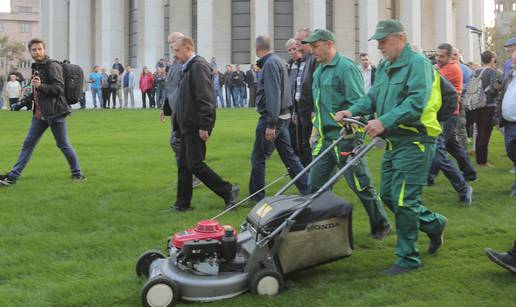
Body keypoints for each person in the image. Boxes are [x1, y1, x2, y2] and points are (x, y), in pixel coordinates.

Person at [336, 20, 447, 275]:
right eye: (378, 41)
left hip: (416, 140)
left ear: (401, 38)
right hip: (394, 141)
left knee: (404, 200)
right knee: (387, 195)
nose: (380, 46)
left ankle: (408, 259)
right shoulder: (386, 65)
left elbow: (416, 102)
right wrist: (352, 110)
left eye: (384, 41)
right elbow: (373, 95)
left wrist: (383, 121)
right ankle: (433, 224)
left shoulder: (418, 64)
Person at [302, 29, 391, 239]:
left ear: (329, 44)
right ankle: (317, 229)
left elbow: (359, 103)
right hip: (325, 140)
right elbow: (318, 106)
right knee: (315, 186)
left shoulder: (346, 68)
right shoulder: (318, 71)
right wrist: (315, 131)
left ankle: (381, 224)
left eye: (315, 46)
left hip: (346, 139)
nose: (312, 50)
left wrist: (352, 130)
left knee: (360, 184)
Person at [0, 38, 85, 186]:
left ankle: (78, 174)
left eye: (39, 49)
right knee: (28, 144)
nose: (37, 52)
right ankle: (12, 177)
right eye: (34, 49)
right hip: (40, 115)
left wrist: (40, 86)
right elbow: (36, 92)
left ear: (44, 50)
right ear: (30, 52)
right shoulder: (36, 67)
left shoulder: (52, 66)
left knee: (63, 144)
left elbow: (59, 89)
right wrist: (21, 103)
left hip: (55, 113)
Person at [171, 36, 239, 211]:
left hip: (195, 125)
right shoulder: (187, 68)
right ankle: (182, 204)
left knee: (195, 164)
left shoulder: (198, 66)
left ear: (188, 48)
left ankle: (228, 190)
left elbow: (206, 99)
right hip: (186, 125)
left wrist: (205, 126)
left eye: (177, 50)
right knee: (184, 166)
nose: (175, 54)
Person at [249, 35, 309, 201]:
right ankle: (308, 188)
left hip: (273, 117)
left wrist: (271, 124)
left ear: (257, 49)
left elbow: (273, 94)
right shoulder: (279, 61)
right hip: (283, 115)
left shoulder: (269, 64)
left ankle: (256, 196)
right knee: (289, 156)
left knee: (258, 157)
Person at [427, 43, 475, 203]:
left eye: (442, 56)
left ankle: (459, 186)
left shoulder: (451, 69)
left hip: (447, 115)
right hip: (447, 113)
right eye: (437, 55)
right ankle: (470, 173)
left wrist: (433, 68)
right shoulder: (444, 67)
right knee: (451, 146)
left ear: (450, 57)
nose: (438, 58)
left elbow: (431, 79)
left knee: (438, 150)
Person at [160, 32, 203, 192]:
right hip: (175, 108)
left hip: (183, 110)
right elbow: (170, 86)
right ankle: (189, 175)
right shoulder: (175, 61)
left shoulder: (188, 63)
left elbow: (183, 87)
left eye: (174, 42)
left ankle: (193, 174)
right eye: (169, 43)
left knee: (178, 143)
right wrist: (165, 108)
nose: (171, 46)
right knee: (178, 143)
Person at [469, 50, 502, 167]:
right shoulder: (492, 72)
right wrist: (499, 87)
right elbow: (493, 89)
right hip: (488, 105)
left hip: (476, 104)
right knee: (485, 133)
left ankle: (479, 160)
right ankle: (483, 162)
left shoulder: (475, 71)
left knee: (479, 132)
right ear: (492, 59)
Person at [292, 28, 318, 167]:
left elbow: (315, 86)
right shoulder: (301, 61)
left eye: (299, 40)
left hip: (310, 110)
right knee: (301, 144)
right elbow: (298, 89)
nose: (296, 43)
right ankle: (306, 176)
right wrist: (295, 111)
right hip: (301, 109)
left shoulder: (313, 59)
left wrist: (315, 108)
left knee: (309, 144)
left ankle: (312, 178)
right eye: (296, 40)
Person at [496, 49, 516, 196]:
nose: (512, 63)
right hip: (508, 123)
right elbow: (502, 96)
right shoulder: (510, 76)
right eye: (513, 60)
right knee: (511, 152)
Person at [452, 47, 473, 150]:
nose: (453, 57)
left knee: (460, 128)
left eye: (455, 54)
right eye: (451, 54)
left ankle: (463, 152)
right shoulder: (443, 67)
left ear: (459, 55)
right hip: (446, 104)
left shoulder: (465, 69)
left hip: (460, 103)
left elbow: (470, 85)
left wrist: (455, 88)